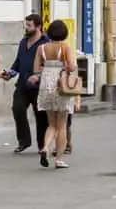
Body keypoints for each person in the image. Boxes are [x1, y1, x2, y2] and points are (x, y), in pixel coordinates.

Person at [0, 14, 50, 159]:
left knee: (41, 116)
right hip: (22, 85)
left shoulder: (46, 43)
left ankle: (42, 145)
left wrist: (39, 76)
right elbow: (18, 63)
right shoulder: (23, 42)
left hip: (39, 86)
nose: (26, 28)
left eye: (29, 25)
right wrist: (9, 73)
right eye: (25, 25)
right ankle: (24, 141)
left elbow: (50, 65)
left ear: (38, 26)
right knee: (17, 109)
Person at [34, 19, 80, 169]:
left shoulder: (41, 48)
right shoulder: (65, 46)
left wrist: (48, 69)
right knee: (62, 125)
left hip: (46, 83)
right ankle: (59, 159)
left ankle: (45, 147)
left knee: (51, 123)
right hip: (61, 83)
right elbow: (72, 67)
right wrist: (64, 66)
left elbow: (36, 69)